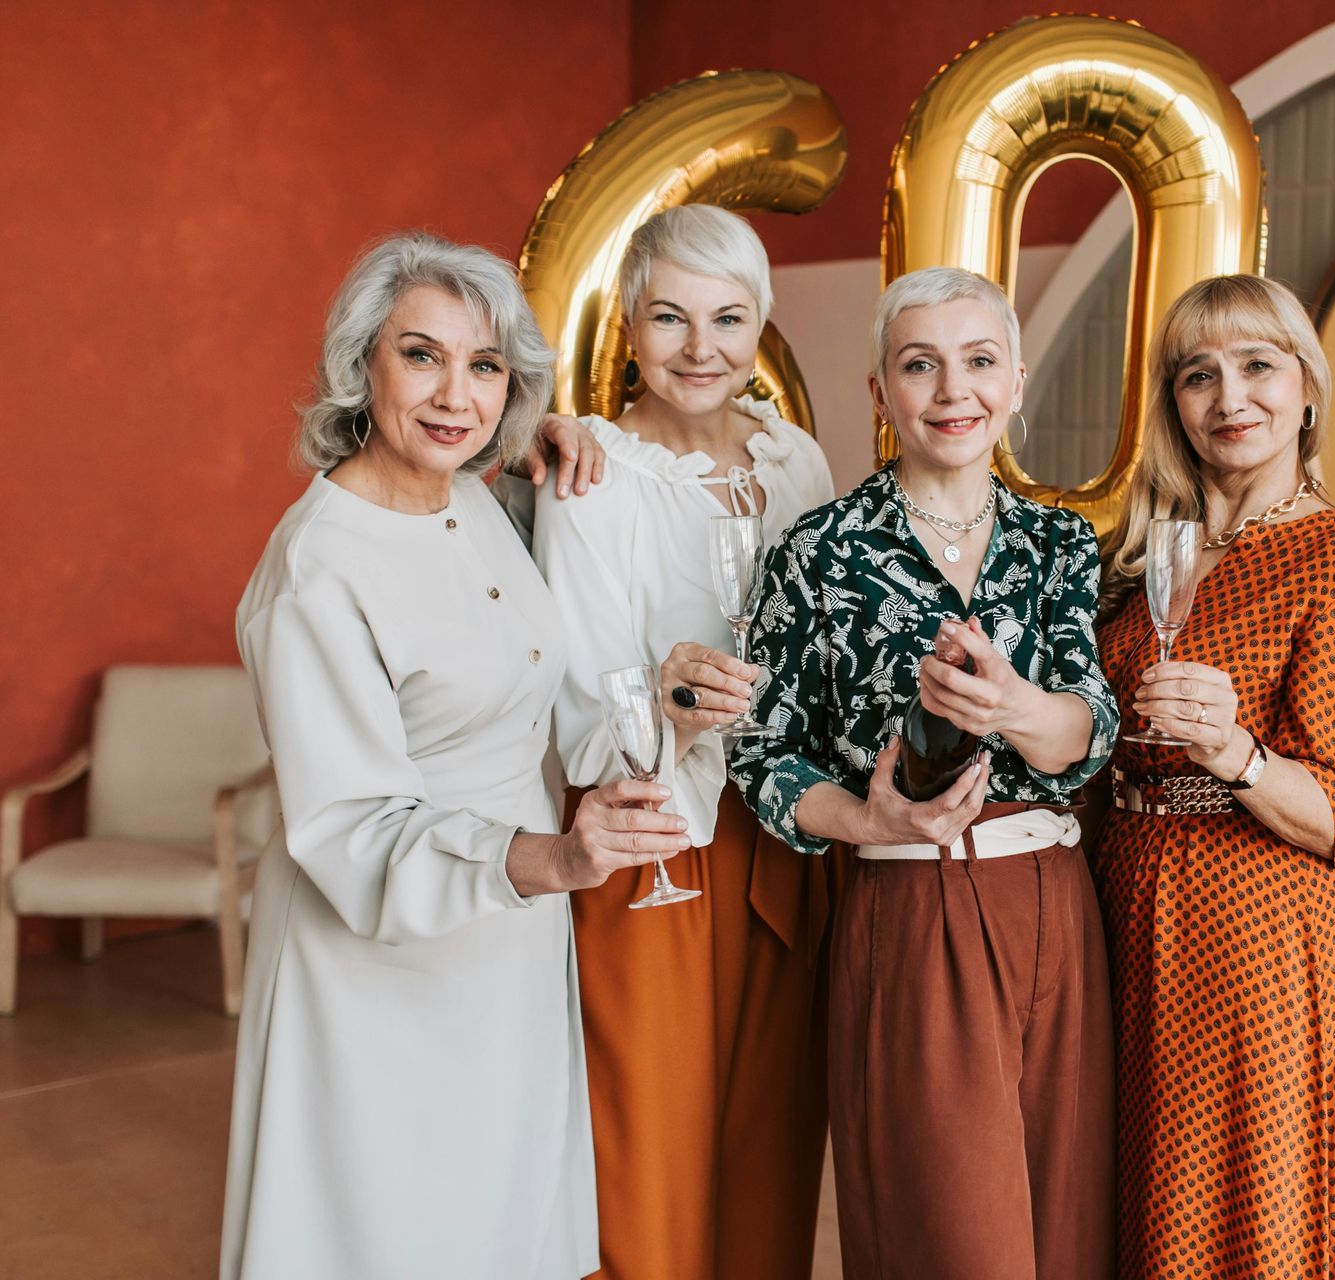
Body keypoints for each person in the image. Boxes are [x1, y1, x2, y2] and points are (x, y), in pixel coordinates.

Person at [221, 232, 692, 1280]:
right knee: (387, 1233)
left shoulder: (477, 497)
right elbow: (356, 829)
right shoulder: (317, 570)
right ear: (362, 365)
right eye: (420, 355)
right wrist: (561, 860)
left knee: (500, 1225)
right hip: (374, 964)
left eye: (485, 367)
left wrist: (546, 442)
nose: (455, 394)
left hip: (508, 949)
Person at [730, 266, 1118, 1280]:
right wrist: (869, 820)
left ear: (1017, 380)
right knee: (950, 1239)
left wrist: (1017, 709)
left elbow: (1090, 724)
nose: (954, 389)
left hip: (1056, 904)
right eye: (920, 364)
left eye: (979, 361)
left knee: (1068, 1234)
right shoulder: (816, 552)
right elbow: (762, 749)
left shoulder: (1059, 542)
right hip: (909, 904)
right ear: (879, 393)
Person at [530, 204, 836, 1280]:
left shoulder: (796, 458)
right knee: (646, 1148)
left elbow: (818, 635)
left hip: (785, 832)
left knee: (770, 1140)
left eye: (727, 317)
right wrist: (659, 698)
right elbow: (572, 697)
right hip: (651, 836)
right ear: (628, 322)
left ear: (762, 323)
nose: (700, 347)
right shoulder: (589, 474)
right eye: (670, 316)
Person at [1092, 273, 1335, 1279]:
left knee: (1234, 1213)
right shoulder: (1144, 554)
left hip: (1255, 928)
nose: (1229, 395)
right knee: (1123, 1198)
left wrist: (1233, 750)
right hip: (1120, 895)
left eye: (1257, 365)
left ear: (1308, 390)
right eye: (1199, 374)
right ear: (1173, 405)